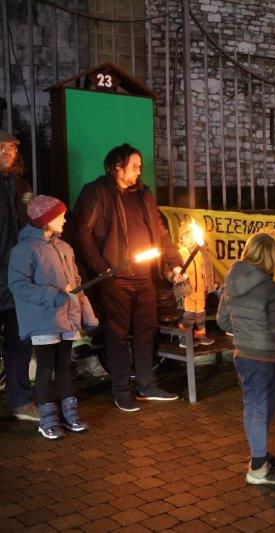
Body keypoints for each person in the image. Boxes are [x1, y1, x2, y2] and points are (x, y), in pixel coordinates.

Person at [71, 143, 185, 412]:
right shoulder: (96, 192)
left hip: (145, 277)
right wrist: (102, 268)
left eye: (140, 166)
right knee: (118, 335)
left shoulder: (143, 195)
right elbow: (81, 232)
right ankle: (121, 390)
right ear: (116, 166)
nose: (138, 171)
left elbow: (160, 232)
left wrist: (174, 264)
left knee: (146, 331)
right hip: (116, 279)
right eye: (133, 166)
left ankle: (147, 384)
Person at [8, 195, 98, 439]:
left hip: (66, 318)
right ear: (47, 220)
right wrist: (55, 295)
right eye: (60, 215)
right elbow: (18, 285)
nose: (65, 219)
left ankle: (70, 414)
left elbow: (76, 285)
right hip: (43, 320)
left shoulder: (64, 248)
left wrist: (86, 313)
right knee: (46, 368)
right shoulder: (24, 249)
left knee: (64, 366)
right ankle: (47, 419)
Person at [217, 233, 275, 486]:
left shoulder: (231, 281)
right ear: (272, 257)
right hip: (265, 358)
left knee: (256, 409)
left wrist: (245, 329)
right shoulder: (272, 289)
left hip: (243, 356)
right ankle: (258, 469)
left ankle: (258, 456)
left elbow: (223, 321)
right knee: (261, 411)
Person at [0, 129, 37, 421]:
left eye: (10, 148)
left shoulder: (23, 186)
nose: (6, 153)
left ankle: (21, 400)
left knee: (20, 342)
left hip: (18, 280)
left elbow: (33, 223)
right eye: (0, 147)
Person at [175, 220, 219, 347]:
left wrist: (214, 281)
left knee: (200, 315)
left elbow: (210, 268)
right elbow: (169, 270)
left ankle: (200, 335)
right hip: (186, 291)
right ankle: (183, 336)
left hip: (200, 291)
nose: (190, 239)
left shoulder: (201, 253)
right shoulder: (178, 254)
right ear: (181, 238)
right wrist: (174, 276)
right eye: (186, 236)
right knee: (189, 315)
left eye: (192, 236)